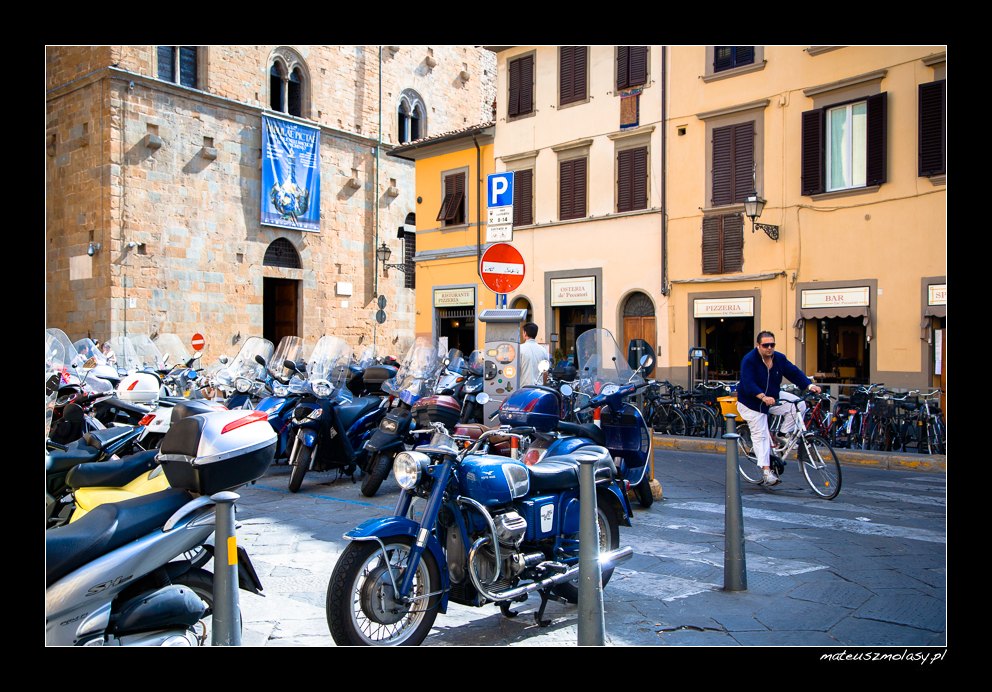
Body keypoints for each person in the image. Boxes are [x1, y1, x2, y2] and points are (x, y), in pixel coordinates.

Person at [736, 331, 821, 485]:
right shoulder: (749, 360)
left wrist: (809, 385)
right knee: (761, 434)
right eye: (765, 345)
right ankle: (767, 472)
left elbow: (793, 372)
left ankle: (782, 434)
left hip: (772, 397)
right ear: (758, 345)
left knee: (799, 404)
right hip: (751, 403)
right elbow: (748, 384)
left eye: (772, 344)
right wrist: (762, 397)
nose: (769, 348)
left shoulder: (779, 358)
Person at [518, 322, 549, 387]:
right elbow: (545, 373)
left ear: (525, 333)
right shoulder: (543, 350)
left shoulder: (519, 349)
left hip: (524, 388)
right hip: (538, 388)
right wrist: (543, 385)